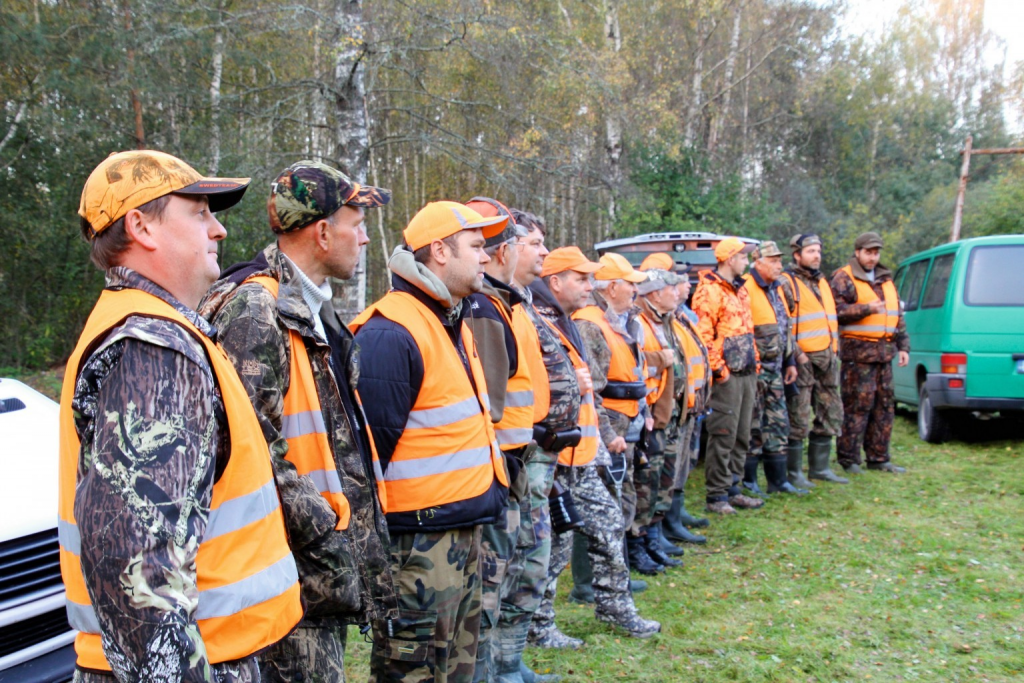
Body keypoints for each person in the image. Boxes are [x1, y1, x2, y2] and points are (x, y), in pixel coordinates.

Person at [59, 150, 303, 682]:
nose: (217, 230)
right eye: (199, 213)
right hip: (198, 663)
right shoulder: (153, 348)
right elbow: (136, 565)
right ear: (141, 226)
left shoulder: (161, 332)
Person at [199, 161, 397, 681]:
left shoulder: (314, 310)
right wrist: (326, 530)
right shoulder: (254, 309)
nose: (366, 240)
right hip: (284, 573)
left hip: (311, 571)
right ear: (324, 231)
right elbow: (248, 447)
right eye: (358, 224)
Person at [351, 201, 511, 683]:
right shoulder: (389, 334)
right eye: (478, 247)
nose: (487, 257)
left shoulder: (450, 320)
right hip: (417, 550)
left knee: (457, 670)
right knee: (414, 671)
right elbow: (365, 460)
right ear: (440, 251)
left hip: (461, 531)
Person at [529, 248, 661, 643]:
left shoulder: (568, 323)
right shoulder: (539, 323)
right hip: (554, 460)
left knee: (607, 527)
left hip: (583, 455)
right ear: (555, 282)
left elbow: (590, 396)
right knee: (554, 547)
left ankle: (617, 609)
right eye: (582, 279)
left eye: (592, 279)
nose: (592, 286)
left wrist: (603, 439)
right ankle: (539, 627)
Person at [458, 197, 536, 683]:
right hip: (495, 469)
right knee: (489, 581)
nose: (484, 256)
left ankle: (504, 666)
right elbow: (488, 405)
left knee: (505, 573)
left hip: (508, 462)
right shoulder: (484, 308)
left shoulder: (503, 305)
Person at [573, 254, 662, 574]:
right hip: (610, 423)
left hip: (631, 419)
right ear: (611, 288)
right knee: (604, 501)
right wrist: (608, 435)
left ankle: (620, 567)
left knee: (626, 495)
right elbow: (590, 390)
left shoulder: (627, 321)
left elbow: (635, 373)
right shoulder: (590, 324)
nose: (636, 291)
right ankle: (595, 580)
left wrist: (645, 410)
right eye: (630, 284)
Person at [691, 237, 764, 514]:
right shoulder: (707, 291)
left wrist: (754, 364)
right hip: (727, 376)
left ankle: (734, 488)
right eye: (743, 257)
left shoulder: (741, 290)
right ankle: (717, 496)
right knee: (723, 433)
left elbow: (748, 330)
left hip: (746, 373)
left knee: (742, 433)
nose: (746, 262)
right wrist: (719, 371)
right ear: (730, 258)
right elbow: (703, 336)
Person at [830, 231, 910, 474]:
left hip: (885, 355)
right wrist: (865, 308)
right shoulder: (843, 278)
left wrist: (904, 346)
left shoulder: (886, 280)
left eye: (876, 253)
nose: (873, 258)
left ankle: (879, 458)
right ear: (857, 252)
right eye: (868, 252)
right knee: (857, 406)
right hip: (858, 357)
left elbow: (897, 317)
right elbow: (834, 311)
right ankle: (849, 458)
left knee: (884, 407)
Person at [780, 233, 848, 486]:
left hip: (828, 358)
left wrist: (834, 350)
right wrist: (797, 355)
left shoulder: (822, 282)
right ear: (797, 255)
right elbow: (782, 324)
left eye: (818, 251)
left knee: (830, 411)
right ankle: (794, 472)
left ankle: (819, 468)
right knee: (798, 416)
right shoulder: (786, 283)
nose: (816, 255)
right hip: (803, 360)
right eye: (810, 251)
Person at [740, 241, 807, 496]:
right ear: (758, 263)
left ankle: (778, 481)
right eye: (773, 261)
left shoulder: (777, 288)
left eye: (780, 260)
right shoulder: (746, 288)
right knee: (753, 425)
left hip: (777, 370)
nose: (779, 265)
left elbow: (784, 328)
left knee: (778, 424)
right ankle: (749, 481)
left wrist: (790, 361)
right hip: (754, 371)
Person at [633, 267, 690, 561]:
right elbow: (633, 362)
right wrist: (661, 359)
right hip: (650, 416)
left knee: (661, 482)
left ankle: (653, 540)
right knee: (645, 484)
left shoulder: (665, 320)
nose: (678, 292)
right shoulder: (638, 321)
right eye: (671, 288)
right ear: (654, 293)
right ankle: (639, 546)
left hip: (668, 413)